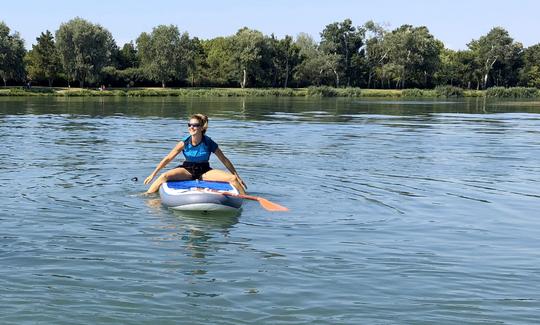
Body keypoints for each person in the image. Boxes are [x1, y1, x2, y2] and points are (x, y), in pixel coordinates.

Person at [144, 114, 247, 195]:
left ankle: (246, 199)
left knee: (233, 179)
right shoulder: (184, 142)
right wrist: (153, 174)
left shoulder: (208, 142)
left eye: (195, 125)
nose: (191, 127)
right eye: (190, 125)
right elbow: (168, 159)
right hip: (187, 170)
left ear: (202, 128)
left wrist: (237, 176)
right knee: (164, 176)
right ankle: (148, 196)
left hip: (205, 171)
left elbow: (224, 159)